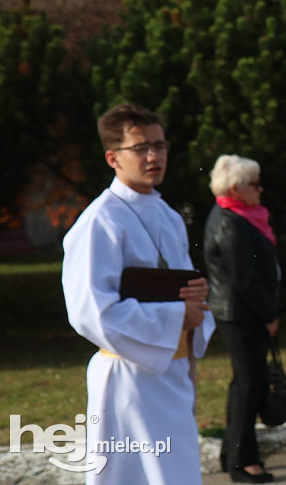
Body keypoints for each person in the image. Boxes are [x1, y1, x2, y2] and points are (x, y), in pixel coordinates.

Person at [62, 103, 215, 484]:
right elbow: (90, 312)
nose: (154, 156)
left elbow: (176, 287)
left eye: (160, 145)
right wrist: (178, 316)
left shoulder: (169, 216)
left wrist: (196, 299)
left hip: (171, 372)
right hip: (127, 376)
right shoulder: (100, 221)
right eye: (141, 147)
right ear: (113, 157)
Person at [204, 154, 281, 483]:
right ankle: (244, 463)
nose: (260, 189)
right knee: (250, 385)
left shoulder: (241, 216)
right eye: (255, 184)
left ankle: (232, 454)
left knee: (244, 384)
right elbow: (244, 278)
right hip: (241, 315)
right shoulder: (229, 221)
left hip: (241, 313)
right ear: (236, 188)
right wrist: (268, 315)